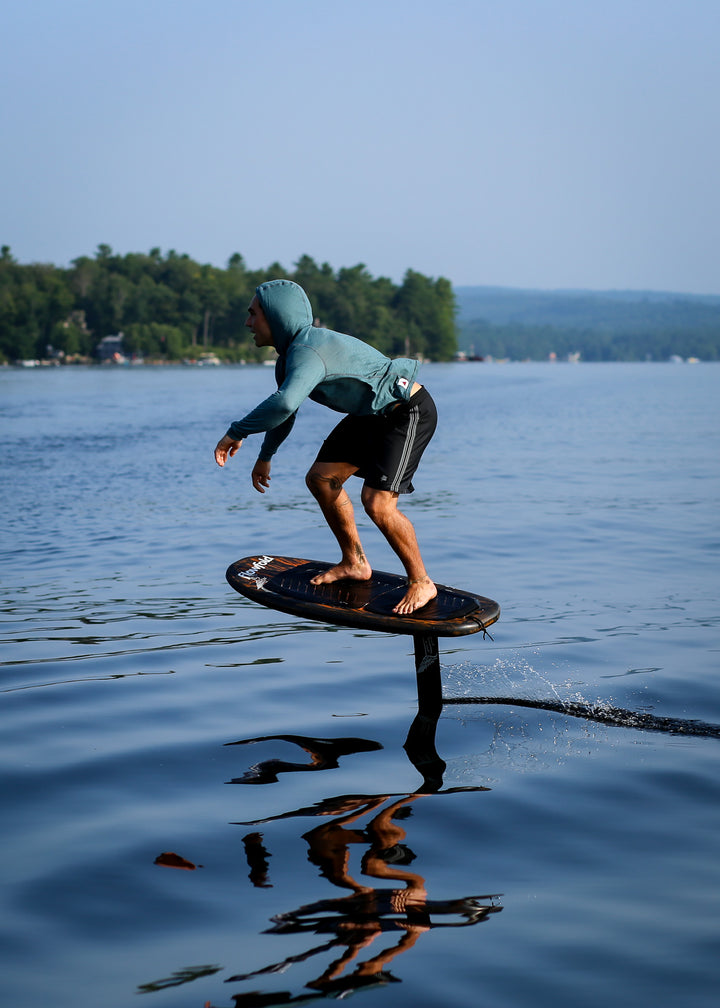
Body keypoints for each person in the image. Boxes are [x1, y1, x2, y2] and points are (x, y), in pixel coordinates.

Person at [214, 279, 437, 615]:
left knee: (377, 504)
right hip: (371, 414)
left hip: (405, 410)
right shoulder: (289, 357)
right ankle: (355, 562)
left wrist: (236, 431)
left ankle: (422, 582)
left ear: (276, 317)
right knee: (321, 479)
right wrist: (265, 456)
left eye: (253, 314)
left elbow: (285, 403)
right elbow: (285, 411)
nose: (248, 323)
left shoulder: (307, 350)